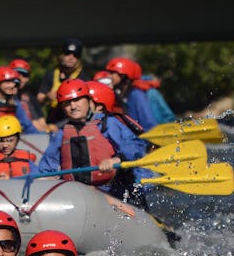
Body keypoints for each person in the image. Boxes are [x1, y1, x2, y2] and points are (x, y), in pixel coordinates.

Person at [35, 78, 152, 209]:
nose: (73, 106)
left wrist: (116, 160)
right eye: (67, 103)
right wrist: (44, 179)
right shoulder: (62, 134)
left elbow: (137, 146)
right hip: (79, 197)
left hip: (113, 193)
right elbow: (46, 168)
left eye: (77, 100)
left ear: (89, 101)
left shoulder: (108, 124)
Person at [36, 38, 92, 127]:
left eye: (75, 55)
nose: (71, 58)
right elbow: (39, 99)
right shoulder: (51, 74)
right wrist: (47, 97)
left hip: (76, 121)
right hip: (53, 121)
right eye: (67, 54)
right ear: (61, 55)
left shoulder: (84, 77)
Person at [105, 56, 166, 131]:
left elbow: (149, 124)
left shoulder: (136, 95)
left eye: (112, 73)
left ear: (123, 75)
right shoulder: (123, 94)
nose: (109, 76)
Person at [0, 66, 38, 134]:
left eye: (14, 82)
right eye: (7, 82)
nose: (12, 85)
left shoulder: (15, 104)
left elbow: (28, 127)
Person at [9, 58, 46, 131]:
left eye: (24, 75)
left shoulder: (30, 97)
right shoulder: (3, 97)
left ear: (28, 79)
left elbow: (41, 122)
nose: (20, 77)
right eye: (17, 73)